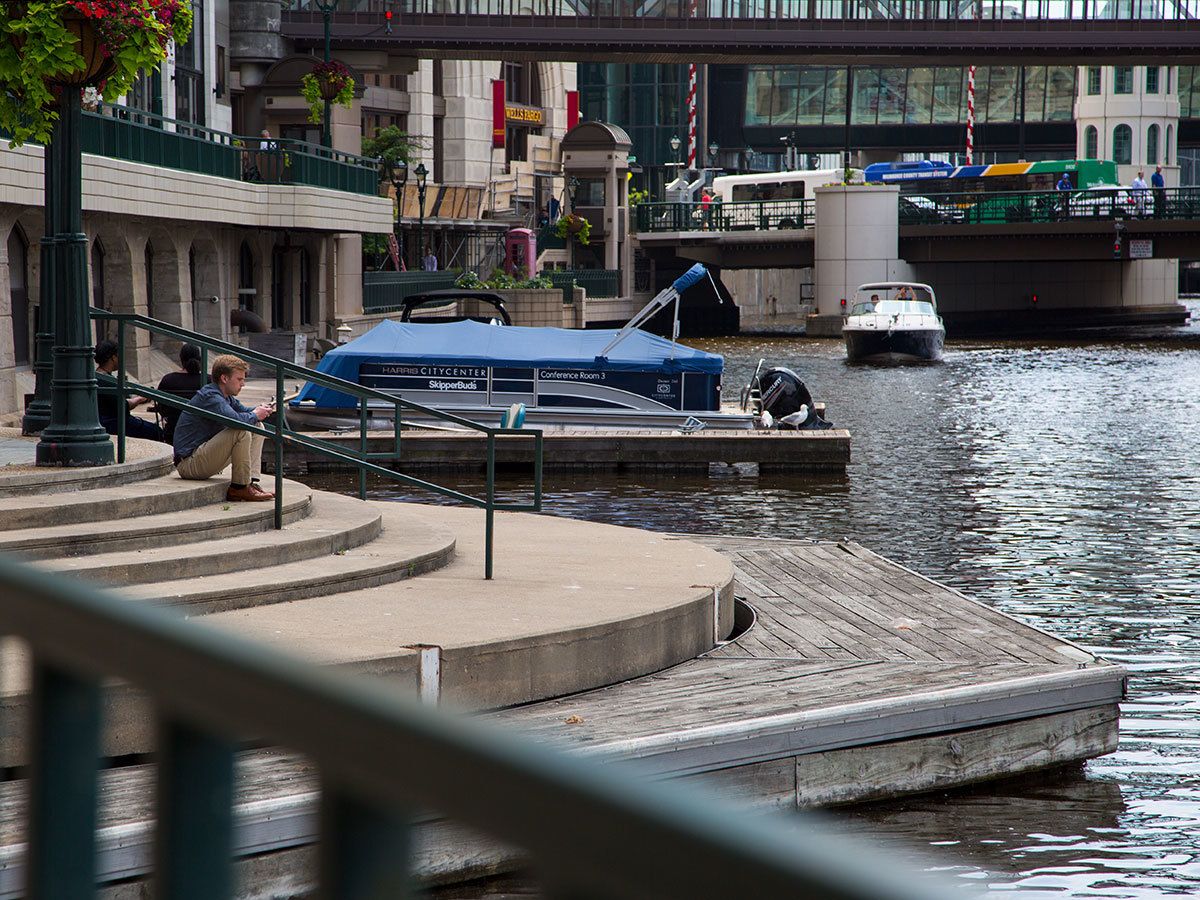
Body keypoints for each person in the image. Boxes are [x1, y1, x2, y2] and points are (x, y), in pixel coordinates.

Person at [173, 354, 276, 502]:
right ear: (224, 378)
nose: (243, 384)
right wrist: (255, 414)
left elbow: (245, 412)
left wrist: (260, 410)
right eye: (239, 379)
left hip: (202, 458)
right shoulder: (211, 397)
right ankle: (239, 488)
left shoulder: (225, 396)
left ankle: (250, 483)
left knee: (257, 425)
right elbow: (235, 420)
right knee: (240, 430)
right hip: (189, 464)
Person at [94, 339, 165, 442]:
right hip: (115, 424)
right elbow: (124, 406)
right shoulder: (108, 381)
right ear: (113, 358)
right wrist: (140, 399)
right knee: (157, 432)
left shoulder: (97, 376)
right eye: (119, 355)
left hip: (109, 422)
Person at [155, 343, 207, 445]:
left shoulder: (168, 380)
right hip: (202, 435)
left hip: (173, 433)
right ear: (200, 359)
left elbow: (162, 409)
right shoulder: (208, 380)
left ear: (181, 359)